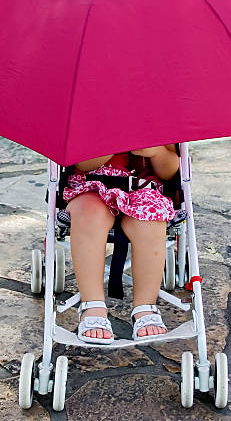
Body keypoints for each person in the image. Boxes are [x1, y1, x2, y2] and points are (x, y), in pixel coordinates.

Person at [63, 145, 180, 344]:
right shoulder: (88, 115)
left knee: (150, 222)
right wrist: (112, 144)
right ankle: (93, 304)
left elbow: (169, 171)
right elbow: (81, 164)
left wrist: (157, 152)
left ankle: (145, 305)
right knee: (89, 213)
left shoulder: (158, 117)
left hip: (143, 189)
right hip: (91, 185)